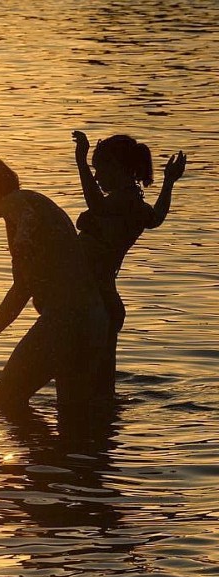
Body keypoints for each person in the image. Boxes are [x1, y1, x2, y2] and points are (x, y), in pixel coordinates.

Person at [0, 157, 109, 434]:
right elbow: (21, 291)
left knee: (3, 402)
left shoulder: (14, 201)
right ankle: (62, 469)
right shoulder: (32, 205)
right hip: (94, 321)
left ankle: (31, 469)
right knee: (73, 417)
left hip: (64, 322)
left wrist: (23, 236)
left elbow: (27, 215)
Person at [72, 131, 186, 396]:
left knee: (89, 385)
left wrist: (80, 160)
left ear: (119, 168)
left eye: (99, 169)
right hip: (104, 302)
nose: (97, 177)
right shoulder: (135, 203)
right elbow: (157, 217)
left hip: (98, 304)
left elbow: (97, 206)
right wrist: (169, 182)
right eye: (93, 170)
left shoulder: (123, 201)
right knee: (100, 387)